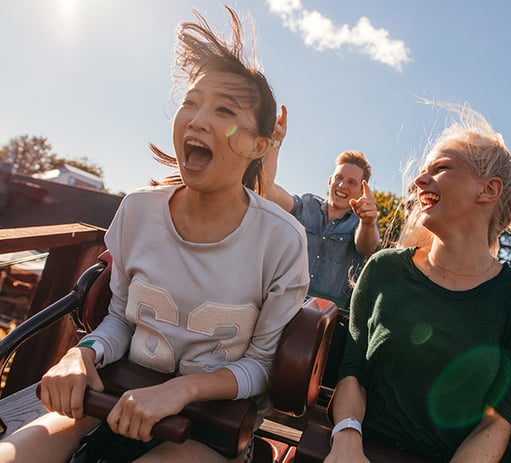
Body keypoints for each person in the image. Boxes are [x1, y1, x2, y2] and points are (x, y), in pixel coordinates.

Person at [0, 6, 308, 463]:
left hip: (212, 426)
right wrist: (81, 354)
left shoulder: (283, 239)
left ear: (260, 146)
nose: (198, 119)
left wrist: (180, 392)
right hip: (115, 395)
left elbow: (260, 367)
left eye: (223, 109)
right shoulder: (138, 210)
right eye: (190, 101)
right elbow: (122, 319)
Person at [325, 103, 511, 462]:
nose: (418, 182)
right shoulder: (384, 269)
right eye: (422, 171)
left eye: (441, 168)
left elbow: (496, 422)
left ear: (488, 190)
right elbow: (353, 372)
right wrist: (347, 440)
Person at [262, 105, 380, 310]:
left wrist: (369, 222)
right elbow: (266, 190)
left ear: (361, 191)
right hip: (280, 304)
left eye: (352, 182)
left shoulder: (359, 224)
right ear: (329, 181)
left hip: (327, 318)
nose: (343, 185)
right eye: (339, 178)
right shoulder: (306, 204)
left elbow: (367, 247)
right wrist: (275, 143)